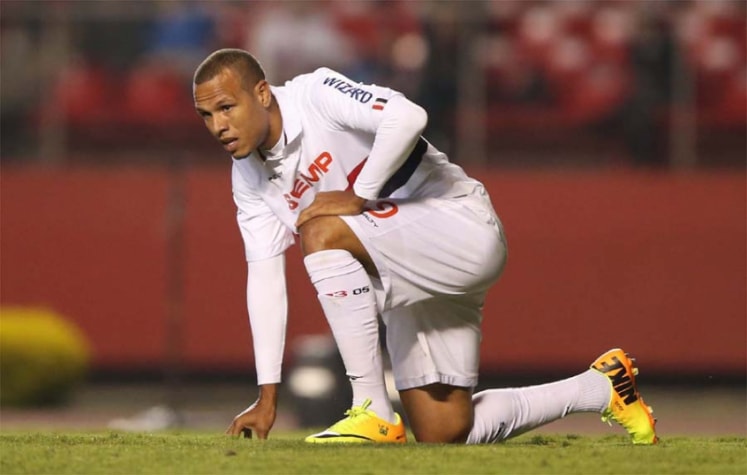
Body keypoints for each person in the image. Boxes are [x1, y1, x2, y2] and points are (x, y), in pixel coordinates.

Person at [192, 48, 658, 445]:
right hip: (404, 264)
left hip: (459, 227)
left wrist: (360, 194)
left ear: (262, 93)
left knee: (322, 228)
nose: (218, 125)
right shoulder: (248, 179)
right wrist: (267, 394)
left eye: (226, 107)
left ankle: (369, 407)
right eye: (207, 115)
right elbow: (265, 280)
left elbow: (408, 116)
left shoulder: (315, 94)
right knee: (443, 430)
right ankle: (602, 387)